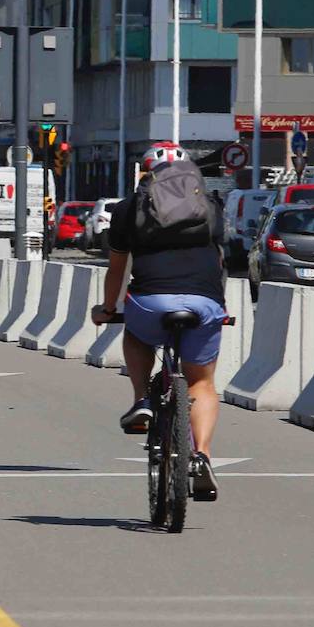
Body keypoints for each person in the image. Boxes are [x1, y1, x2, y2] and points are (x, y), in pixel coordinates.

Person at [91, 142, 226, 500]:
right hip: (205, 301)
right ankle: (202, 455)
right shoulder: (210, 204)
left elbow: (117, 269)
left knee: (135, 333)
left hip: (151, 300)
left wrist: (107, 309)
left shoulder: (128, 208)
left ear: (146, 173)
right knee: (202, 384)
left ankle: (142, 402)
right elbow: (220, 260)